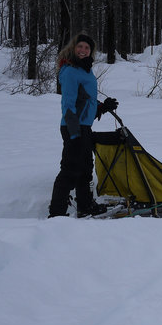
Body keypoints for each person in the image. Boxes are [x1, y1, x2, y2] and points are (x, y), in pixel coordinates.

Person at [48, 33, 118, 218]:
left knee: (85, 168)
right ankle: (56, 213)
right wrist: (74, 133)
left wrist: (102, 107)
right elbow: (69, 105)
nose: (83, 50)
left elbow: (85, 102)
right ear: (73, 48)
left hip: (83, 127)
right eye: (80, 47)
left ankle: (85, 206)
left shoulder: (85, 70)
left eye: (87, 48)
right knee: (70, 170)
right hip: (74, 127)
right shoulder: (71, 70)